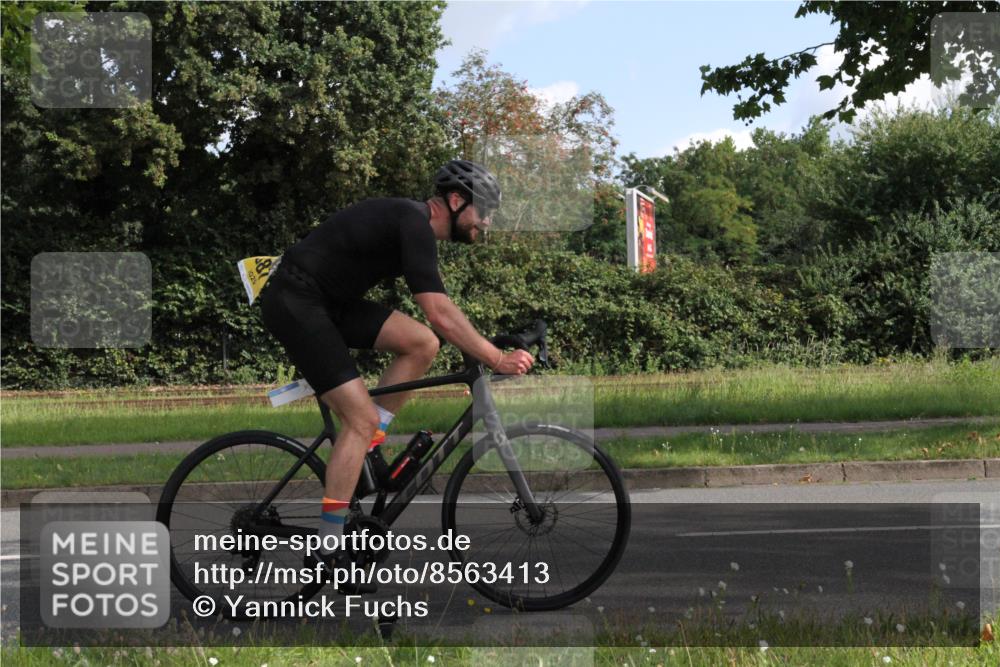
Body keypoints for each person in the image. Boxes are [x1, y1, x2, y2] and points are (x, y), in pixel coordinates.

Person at [258, 159, 534, 575]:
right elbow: (439, 309)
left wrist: (482, 343)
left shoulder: (414, 226)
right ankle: (327, 550)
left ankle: (369, 445)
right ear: (457, 202)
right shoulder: (414, 221)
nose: (488, 222)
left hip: (329, 303)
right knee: (359, 418)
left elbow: (439, 322)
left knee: (422, 342)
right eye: (484, 211)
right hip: (297, 301)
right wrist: (494, 358)